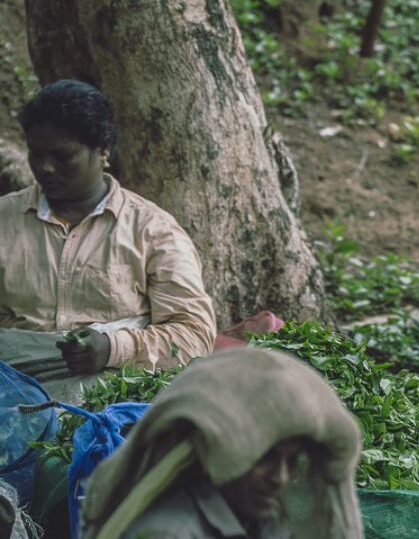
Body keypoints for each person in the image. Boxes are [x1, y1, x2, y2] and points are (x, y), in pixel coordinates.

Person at [0, 79, 216, 388]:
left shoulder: (153, 231)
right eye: (36, 155)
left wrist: (113, 348)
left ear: (103, 151)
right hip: (11, 398)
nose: (45, 168)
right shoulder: (4, 220)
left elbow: (193, 336)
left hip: (116, 404)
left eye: (62, 156)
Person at [80, 348, 363, 539]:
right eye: (265, 457)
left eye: (291, 461)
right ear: (216, 451)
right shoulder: (169, 531)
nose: (280, 477)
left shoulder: (261, 517)